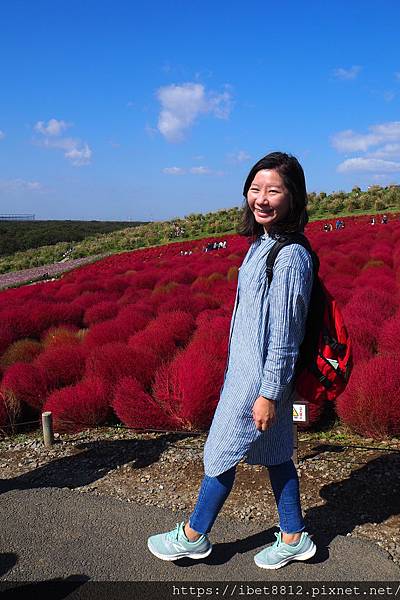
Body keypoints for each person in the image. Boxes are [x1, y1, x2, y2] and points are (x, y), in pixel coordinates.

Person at [147, 152, 316, 569]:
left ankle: (193, 535)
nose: (261, 198)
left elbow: (285, 335)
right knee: (277, 455)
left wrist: (269, 394)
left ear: (293, 198)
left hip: (258, 383)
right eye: (255, 189)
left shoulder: (290, 256)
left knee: (220, 451)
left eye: (273, 190)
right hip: (249, 375)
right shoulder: (262, 244)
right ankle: (294, 536)